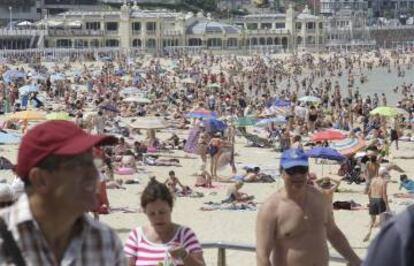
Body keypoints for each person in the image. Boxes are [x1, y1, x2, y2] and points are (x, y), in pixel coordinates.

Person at [0, 120, 125, 265]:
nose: (93, 174)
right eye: (79, 165)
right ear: (41, 179)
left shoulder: (104, 240)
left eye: (92, 163)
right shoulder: (4, 239)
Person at [256, 149, 361, 266]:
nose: (298, 175)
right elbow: (262, 255)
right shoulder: (271, 208)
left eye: (302, 170)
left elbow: (333, 232)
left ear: (308, 171)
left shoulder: (319, 197)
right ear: (281, 172)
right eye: (292, 170)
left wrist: (355, 260)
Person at [124, 178, 205, 266]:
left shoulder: (185, 234)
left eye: (162, 212)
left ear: (170, 208)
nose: (158, 217)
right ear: (145, 212)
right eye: (152, 213)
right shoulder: (136, 236)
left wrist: (184, 255)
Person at [363, 171, 390, 242]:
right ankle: (382, 237)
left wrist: (370, 201)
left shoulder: (373, 180)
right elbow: (384, 194)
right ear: (384, 175)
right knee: (382, 220)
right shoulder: (383, 182)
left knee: (372, 220)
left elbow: (368, 192)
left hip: (372, 199)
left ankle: (369, 232)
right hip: (380, 200)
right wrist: (387, 204)